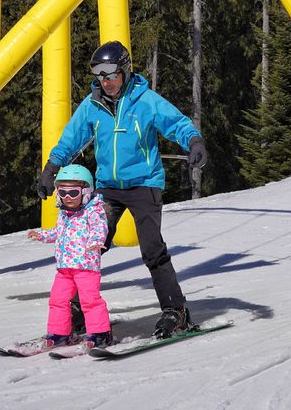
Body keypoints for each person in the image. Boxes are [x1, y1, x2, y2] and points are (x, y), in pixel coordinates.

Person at [36, 41, 208, 339]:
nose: (106, 80)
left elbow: (176, 123)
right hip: (107, 188)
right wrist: (51, 169)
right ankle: (79, 310)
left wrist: (194, 142)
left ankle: (175, 311)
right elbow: (70, 139)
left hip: (144, 184)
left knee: (152, 249)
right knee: (89, 245)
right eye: (99, 75)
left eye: (111, 74)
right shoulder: (92, 104)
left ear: (125, 71)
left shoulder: (145, 100)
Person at [28, 164, 113, 350]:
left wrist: (97, 241)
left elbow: (100, 228)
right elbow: (58, 232)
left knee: (90, 301)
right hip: (65, 268)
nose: (67, 197)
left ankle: (100, 334)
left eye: (73, 193)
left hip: (86, 267)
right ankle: (59, 333)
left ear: (86, 192)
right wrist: (42, 235)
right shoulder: (64, 214)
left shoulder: (93, 210)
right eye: (62, 192)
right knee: (57, 300)